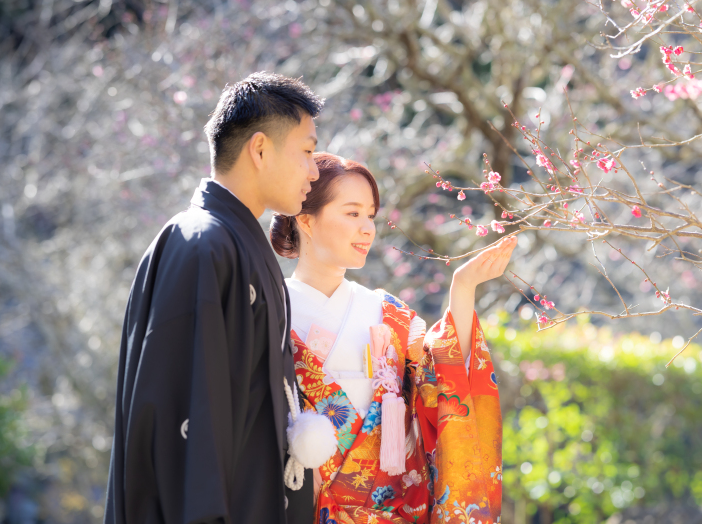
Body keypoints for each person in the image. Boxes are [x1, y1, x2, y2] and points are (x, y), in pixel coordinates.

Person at [104, 72, 323, 524]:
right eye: (306, 151)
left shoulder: (231, 243)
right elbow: (185, 418)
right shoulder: (202, 244)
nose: (315, 170)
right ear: (260, 149)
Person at [270, 153, 516, 523]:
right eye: (353, 214)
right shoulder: (270, 311)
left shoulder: (387, 313)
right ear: (305, 219)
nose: (368, 228)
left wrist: (463, 289)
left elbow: (444, 382)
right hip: (298, 506)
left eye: (370, 215)